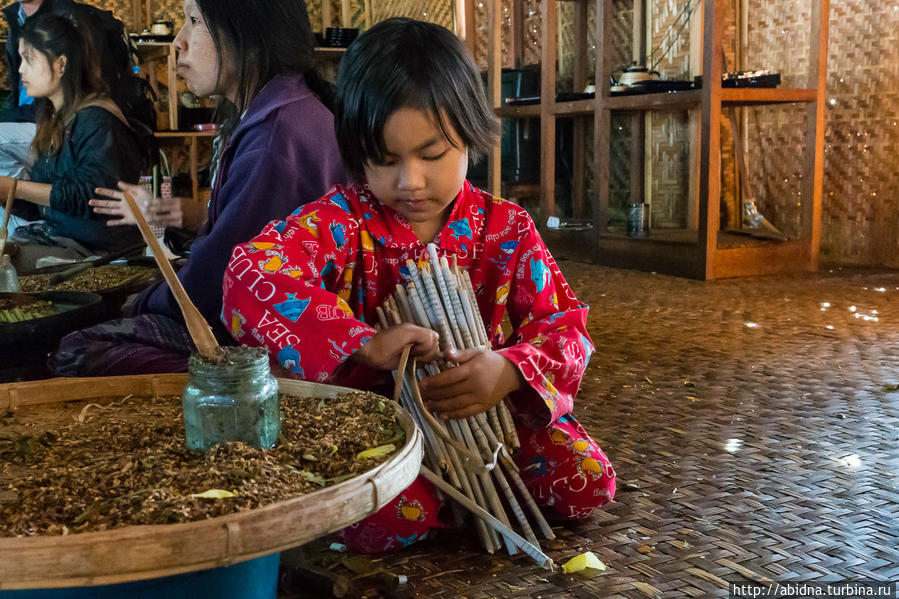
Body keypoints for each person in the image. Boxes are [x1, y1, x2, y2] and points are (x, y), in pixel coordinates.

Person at [220, 18, 616, 553]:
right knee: (383, 519)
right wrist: (361, 341)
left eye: (432, 155)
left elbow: (565, 328)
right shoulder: (340, 223)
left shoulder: (507, 229)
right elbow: (248, 277)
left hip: (487, 420)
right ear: (356, 152)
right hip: (381, 428)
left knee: (588, 480)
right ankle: (435, 499)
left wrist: (509, 371)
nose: (410, 181)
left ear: (472, 136)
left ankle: (450, 498)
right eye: (384, 160)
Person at [50, 0, 345, 376]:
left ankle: (239, 387)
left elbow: (220, 279)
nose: (178, 42)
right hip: (256, 317)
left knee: (78, 348)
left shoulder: (277, 134)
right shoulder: (280, 112)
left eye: (193, 21)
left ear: (247, 34)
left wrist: (140, 304)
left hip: (272, 340)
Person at [0, 12, 144, 265]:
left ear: (61, 64)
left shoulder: (96, 119)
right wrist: (7, 196)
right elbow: (46, 206)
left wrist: (15, 188)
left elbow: (92, 195)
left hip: (98, 252)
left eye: (29, 59)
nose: (21, 69)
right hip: (61, 238)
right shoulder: (53, 119)